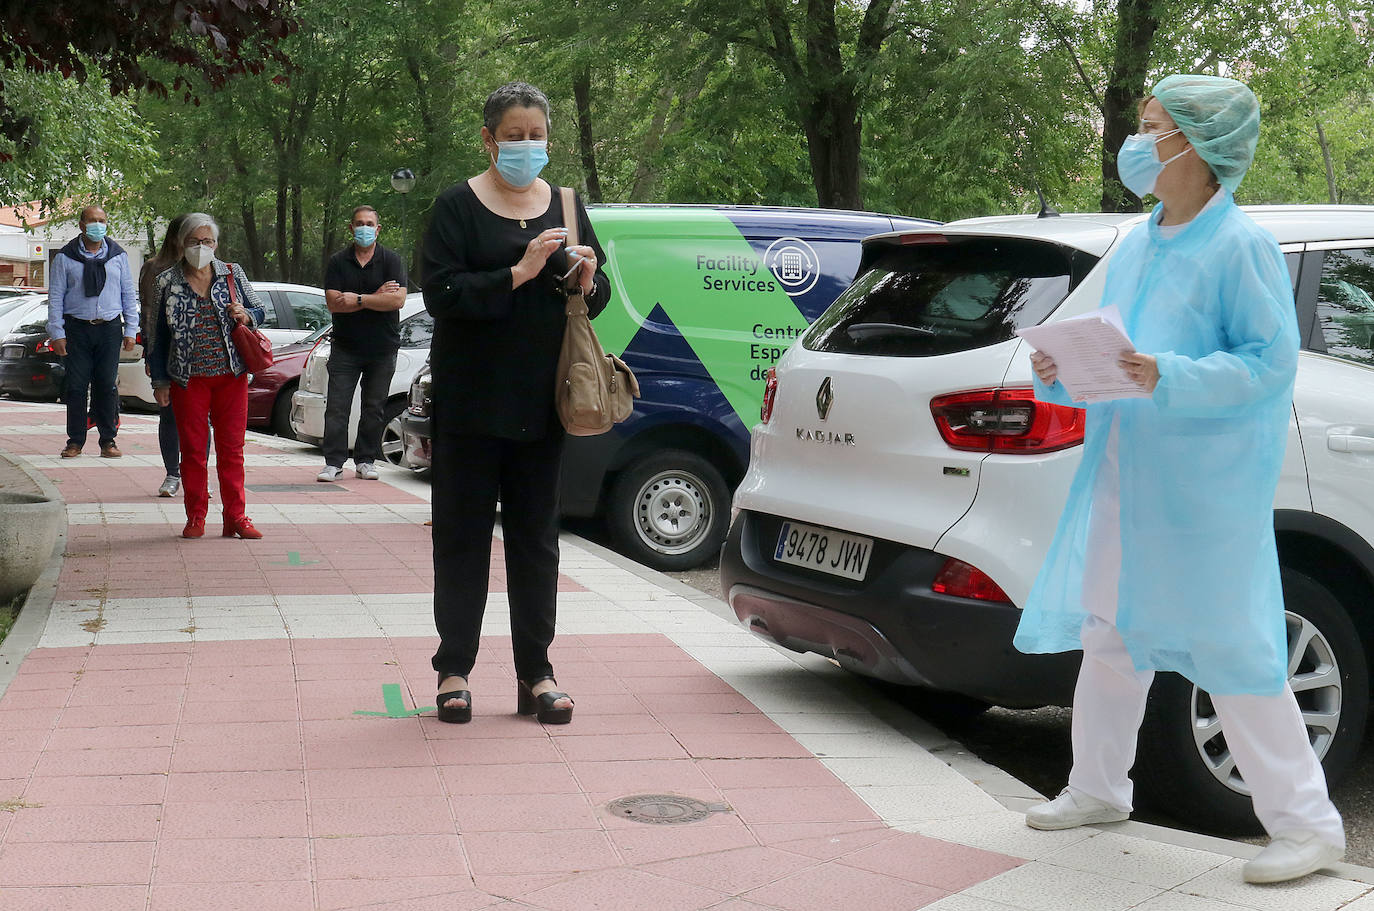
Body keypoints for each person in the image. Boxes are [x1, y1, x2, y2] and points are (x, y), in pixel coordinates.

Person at [1014, 75, 1345, 884]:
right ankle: (1097, 785)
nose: (1138, 139)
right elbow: (1110, 351)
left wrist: (1170, 373)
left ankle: (1308, 826)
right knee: (1112, 632)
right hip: (1129, 476)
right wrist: (1060, 368)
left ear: (1196, 145)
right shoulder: (1142, 239)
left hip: (1204, 492)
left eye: (1153, 126)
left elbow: (1267, 367)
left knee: (1235, 650)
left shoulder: (1242, 246)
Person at [420, 81, 609, 725]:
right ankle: (454, 668)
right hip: (471, 405)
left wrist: (588, 278)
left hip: (543, 401)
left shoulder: (568, 205)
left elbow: (599, 295)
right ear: (489, 138)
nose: (527, 146)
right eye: (515, 135)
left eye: (537, 135)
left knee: (536, 540)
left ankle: (537, 672)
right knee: (463, 539)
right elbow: (443, 295)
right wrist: (518, 273)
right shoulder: (456, 207)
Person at [148, 213, 266, 540]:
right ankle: (196, 515)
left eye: (208, 241)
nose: (202, 247)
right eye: (194, 242)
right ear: (180, 243)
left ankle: (236, 518)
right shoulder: (167, 281)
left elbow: (260, 311)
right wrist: (159, 381)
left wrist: (246, 313)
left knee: (232, 450)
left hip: (231, 375)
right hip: (188, 379)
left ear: (216, 244)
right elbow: (156, 336)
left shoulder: (231, 273)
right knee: (194, 451)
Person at [318, 205, 408, 482]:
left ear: (378, 229)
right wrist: (374, 297)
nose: (365, 228)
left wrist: (356, 299)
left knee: (374, 407)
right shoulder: (337, 261)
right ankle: (333, 463)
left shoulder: (392, 260)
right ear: (351, 228)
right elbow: (334, 304)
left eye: (370, 223)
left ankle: (366, 461)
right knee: (336, 407)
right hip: (345, 347)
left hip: (382, 349)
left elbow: (397, 300)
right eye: (360, 223)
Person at [46, 205, 139, 459]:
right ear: (81, 225)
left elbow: (128, 295)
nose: (98, 225)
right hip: (76, 328)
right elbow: (55, 297)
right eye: (92, 220)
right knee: (76, 386)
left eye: (102, 220)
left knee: (106, 385)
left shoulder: (118, 256)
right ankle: (75, 441)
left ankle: (108, 440)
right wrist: (57, 333)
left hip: (109, 328)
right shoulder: (65, 257)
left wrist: (131, 329)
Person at [139, 214, 189, 497]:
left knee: (199, 420)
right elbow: (148, 314)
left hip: (200, 356)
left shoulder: (206, 268)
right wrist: (150, 354)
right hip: (166, 353)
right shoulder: (154, 269)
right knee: (169, 414)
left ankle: (197, 473)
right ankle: (173, 473)